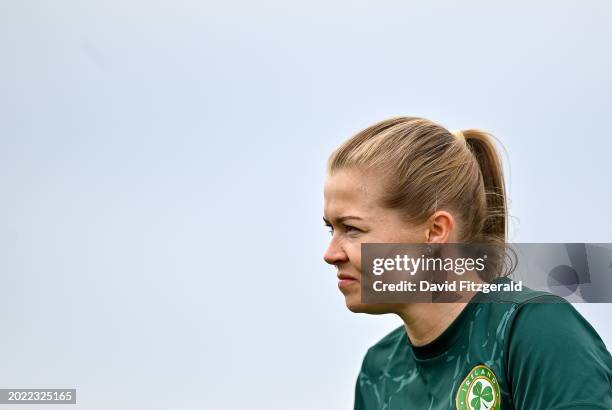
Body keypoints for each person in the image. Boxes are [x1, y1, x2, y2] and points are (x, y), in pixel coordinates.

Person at [322, 116, 612, 409]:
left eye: (352, 229)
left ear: (435, 231)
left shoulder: (535, 331)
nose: (330, 253)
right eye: (330, 229)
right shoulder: (378, 371)